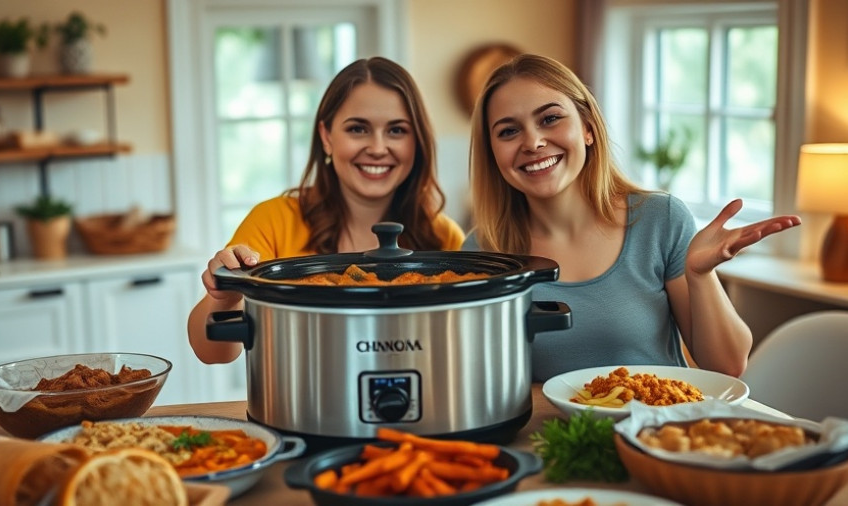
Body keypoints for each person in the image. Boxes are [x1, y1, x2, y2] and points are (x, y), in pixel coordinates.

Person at [465, 53, 801, 382]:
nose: (533, 142)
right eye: (509, 131)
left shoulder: (659, 220)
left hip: (661, 433)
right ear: (492, 152)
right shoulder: (479, 253)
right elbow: (479, 380)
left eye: (550, 119)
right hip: (551, 437)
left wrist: (699, 276)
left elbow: (727, 367)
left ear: (588, 128)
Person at [188, 57, 465, 364]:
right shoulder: (273, 221)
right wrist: (226, 296)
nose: (377, 147)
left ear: (418, 142)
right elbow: (211, 351)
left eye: (397, 130)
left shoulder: (445, 236)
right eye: (358, 129)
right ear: (327, 136)